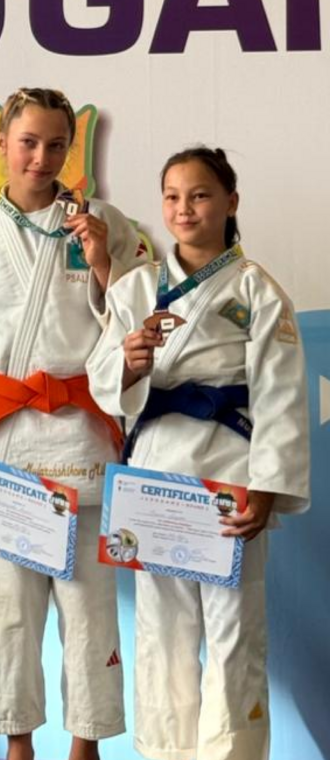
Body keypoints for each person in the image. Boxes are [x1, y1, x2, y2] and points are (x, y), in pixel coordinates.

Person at [0, 88, 146, 760]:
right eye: (28, 142)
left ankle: (85, 744)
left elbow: (136, 324)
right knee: (9, 610)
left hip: (81, 434)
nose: (41, 156)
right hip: (5, 437)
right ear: (2, 142)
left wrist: (104, 263)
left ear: (70, 149)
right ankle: (18, 743)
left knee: (89, 607)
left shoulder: (103, 222)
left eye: (56, 144)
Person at [88, 147, 310, 760]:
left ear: (231, 202)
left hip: (228, 477)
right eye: (171, 197)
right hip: (155, 475)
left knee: (234, 630)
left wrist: (267, 487)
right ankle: (165, 752)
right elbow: (102, 377)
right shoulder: (136, 287)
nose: (183, 209)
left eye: (200, 195)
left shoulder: (256, 289)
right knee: (160, 630)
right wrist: (129, 364)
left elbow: (281, 395)